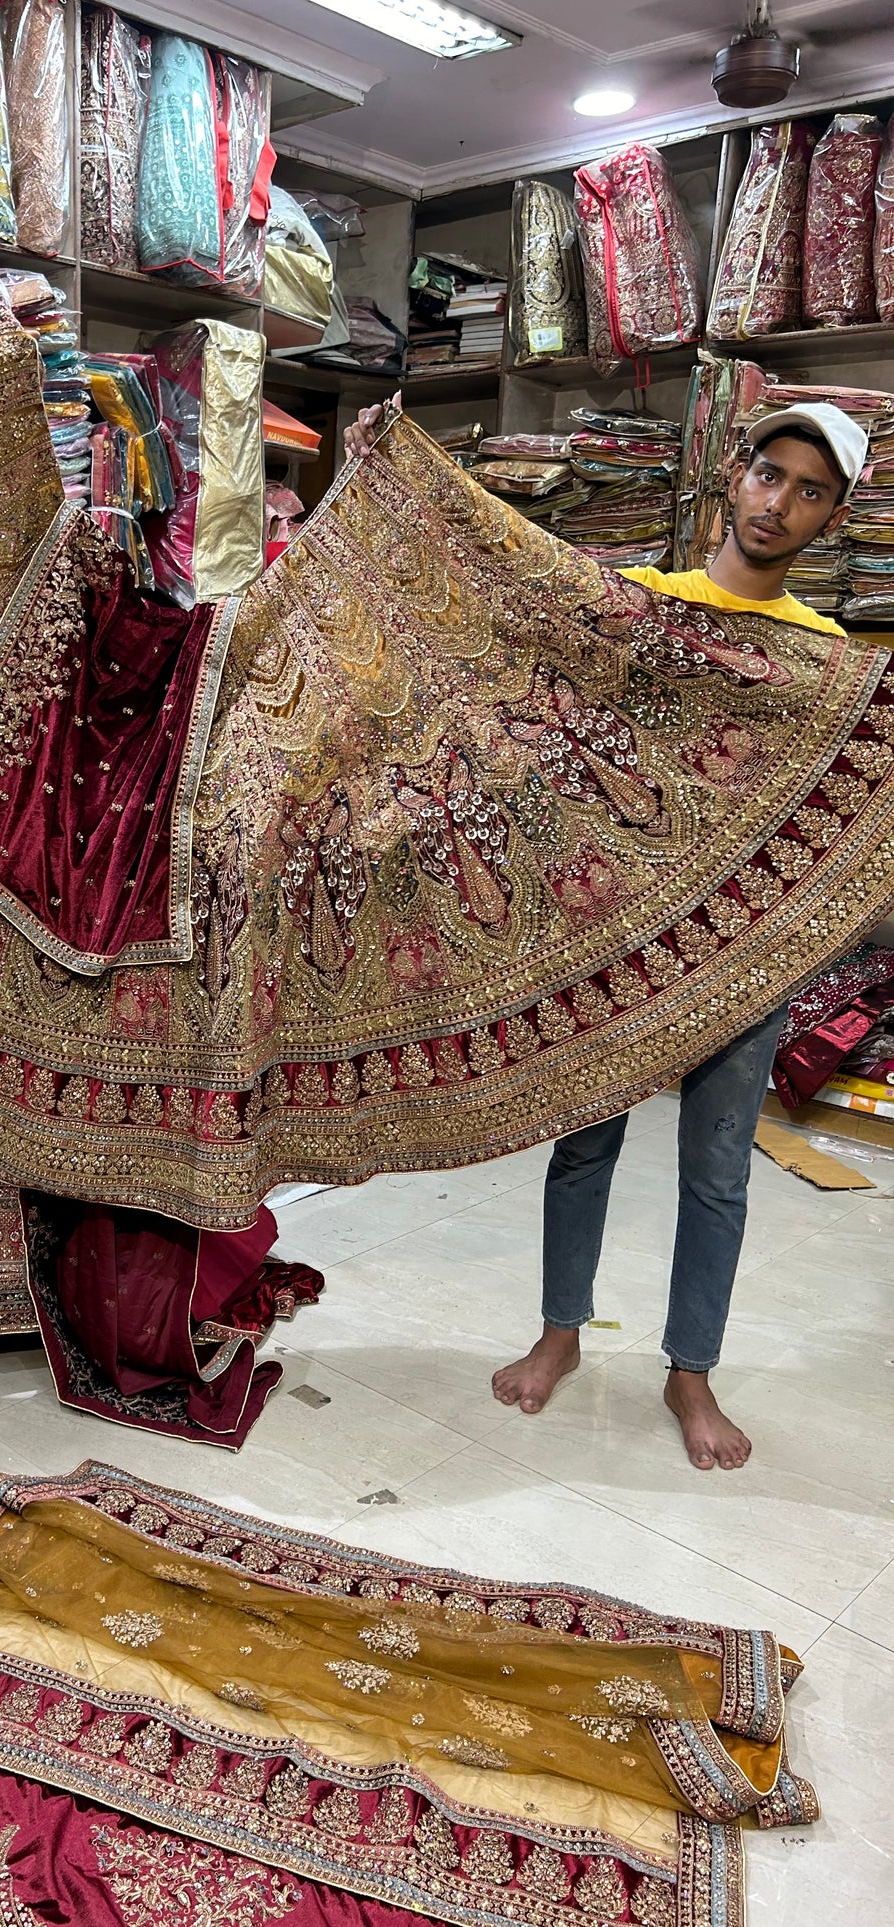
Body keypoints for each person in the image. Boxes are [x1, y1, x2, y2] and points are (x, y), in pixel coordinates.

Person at [345, 397, 868, 1471]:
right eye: (770, 474)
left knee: (717, 1169)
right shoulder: (639, 610)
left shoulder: (826, 662)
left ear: (831, 517)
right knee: (582, 1143)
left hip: (742, 952)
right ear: (733, 474)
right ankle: (558, 1334)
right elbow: (512, 625)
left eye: (810, 492)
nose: (779, 503)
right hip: (616, 943)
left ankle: (689, 1372)